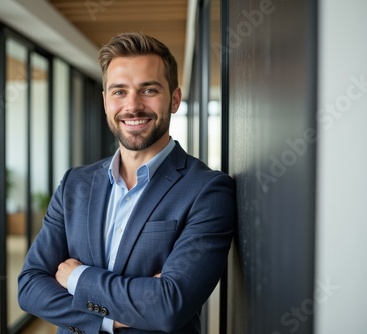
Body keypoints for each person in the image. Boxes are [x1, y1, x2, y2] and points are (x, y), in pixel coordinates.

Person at [18, 32, 236, 334]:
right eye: (119, 91)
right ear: (106, 100)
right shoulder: (74, 184)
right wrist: (112, 317)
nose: (132, 106)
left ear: (174, 99)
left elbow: (169, 306)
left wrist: (77, 278)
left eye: (148, 90)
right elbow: (29, 286)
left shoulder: (207, 190)